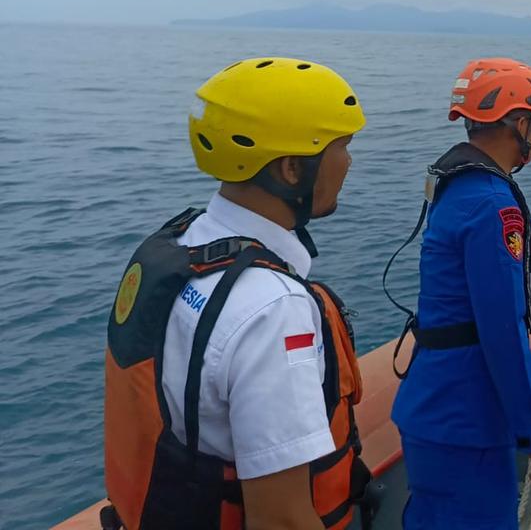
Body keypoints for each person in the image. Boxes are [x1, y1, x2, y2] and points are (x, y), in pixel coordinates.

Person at [103, 58, 370, 530]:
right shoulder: (272, 308)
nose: (349, 162)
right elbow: (281, 520)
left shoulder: (184, 243)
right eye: (342, 146)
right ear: (292, 169)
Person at [392, 58, 531, 530]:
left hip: (438, 403)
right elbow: (503, 334)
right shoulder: (491, 202)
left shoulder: (464, 184)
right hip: (464, 419)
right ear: (521, 124)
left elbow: (509, 236)